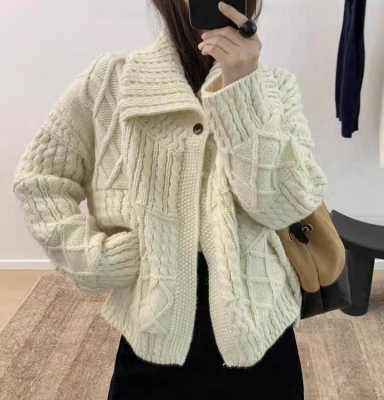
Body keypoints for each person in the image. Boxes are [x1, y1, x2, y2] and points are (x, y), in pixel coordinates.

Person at [13, 1, 329, 399]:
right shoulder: (111, 81)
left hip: (259, 332)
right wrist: (95, 259)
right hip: (152, 336)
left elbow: (286, 207)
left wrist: (243, 92)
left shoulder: (276, 87)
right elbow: (41, 179)